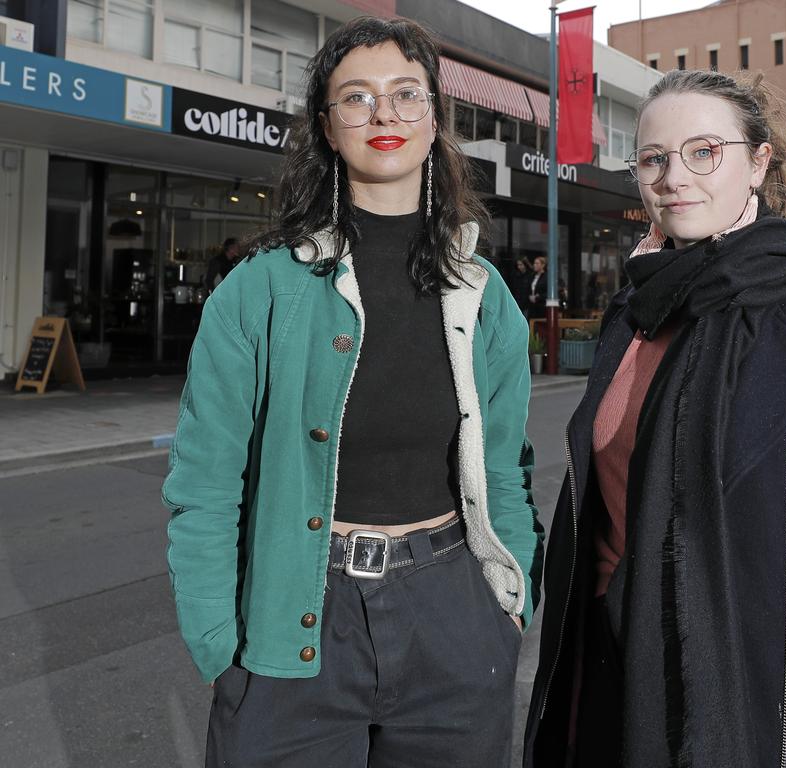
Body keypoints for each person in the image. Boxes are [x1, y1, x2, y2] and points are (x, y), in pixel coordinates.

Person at [524, 69, 786, 768]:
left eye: (704, 152)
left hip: (765, 705)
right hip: (615, 676)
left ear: (757, 163)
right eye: (654, 158)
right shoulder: (633, 314)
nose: (675, 177)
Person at [163, 16, 543, 768]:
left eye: (406, 95)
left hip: (455, 617)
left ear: (435, 120)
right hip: (292, 622)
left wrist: (509, 603)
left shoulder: (483, 293)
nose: (384, 116)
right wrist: (219, 641)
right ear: (328, 128)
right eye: (356, 98)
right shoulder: (257, 291)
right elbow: (204, 483)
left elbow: (506, 468)